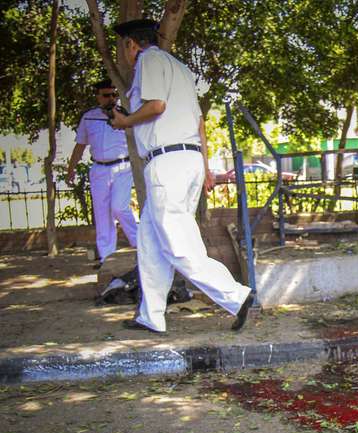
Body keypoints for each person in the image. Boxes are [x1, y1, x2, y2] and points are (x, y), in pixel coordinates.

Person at [109, 19, 253, 333]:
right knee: (151, 242)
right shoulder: (180, 69)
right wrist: (204, 166)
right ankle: (151, 315)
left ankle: (236, 296)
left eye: (124, 47)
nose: (124, 53)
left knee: (177, 244)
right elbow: (199, 122)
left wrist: (126, 122)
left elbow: (157, 106)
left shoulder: (149, 60)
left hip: (167, 163)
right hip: (186, 159)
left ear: (132, 44)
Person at [67, 78, 138, 267]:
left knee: (119, 207)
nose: (111, 98)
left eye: (114, 94)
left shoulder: (126, 115)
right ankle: (107, 257)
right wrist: (71, 168)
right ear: (98, 96)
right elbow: (80, 145)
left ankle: (140, 243)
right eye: (107, 95)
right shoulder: (88, 117)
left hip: (123, 167)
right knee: (102, 214)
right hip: (99, 169)